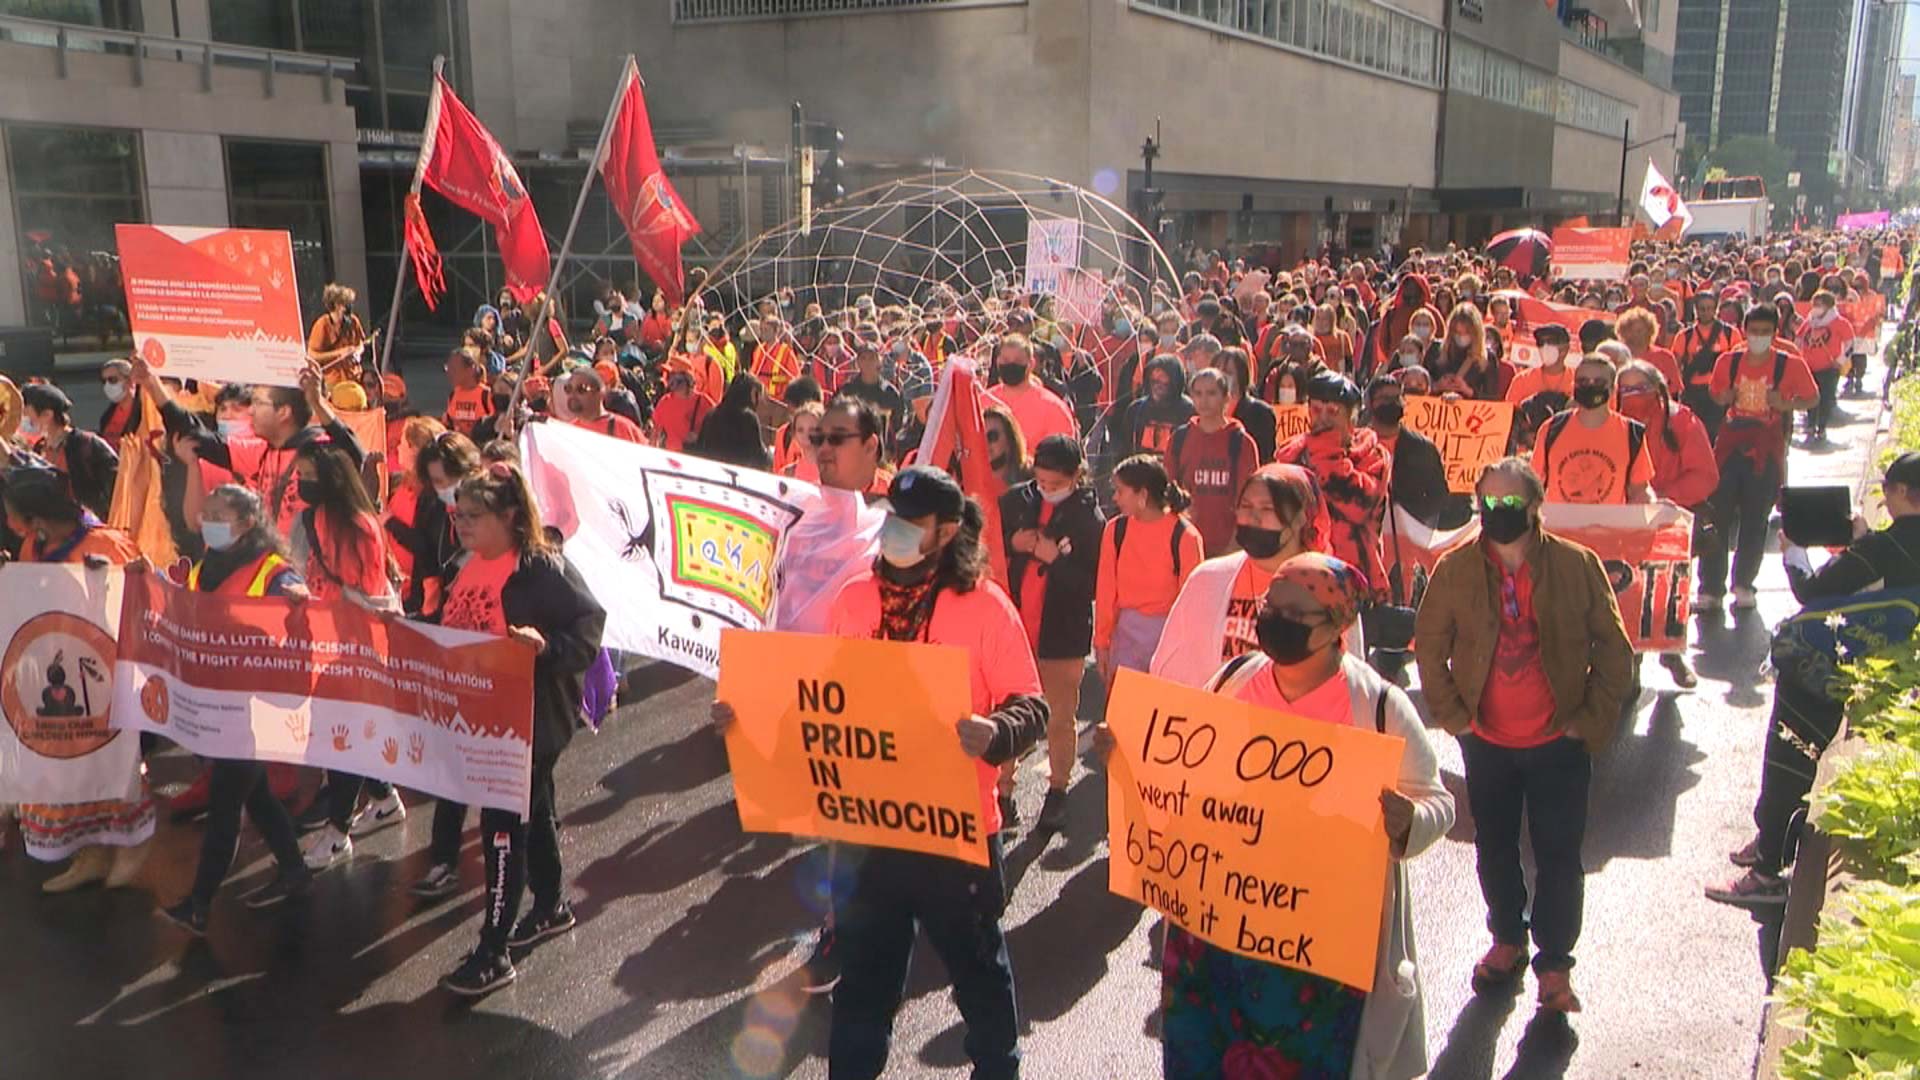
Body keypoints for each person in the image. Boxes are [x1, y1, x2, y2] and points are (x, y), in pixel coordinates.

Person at [716, 465, 1047, 1079]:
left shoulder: (982, 607)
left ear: (946, 532)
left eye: (908, 523)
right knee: (864, 986)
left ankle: (999, 1068)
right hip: (870, 835)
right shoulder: (855, 598)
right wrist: (747, 717)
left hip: (957, 832)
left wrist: (995, 732)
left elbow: (1030, 703)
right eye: (888, 516)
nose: (891, 531)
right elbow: (819, 703)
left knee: (977, 974)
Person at [1143, 552, 1453, 1080]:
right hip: (1222, 928)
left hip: (1317, 944)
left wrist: (1407, 821)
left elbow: (1437, 802)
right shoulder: (1236, 677)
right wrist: (1131, 755)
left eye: (1293, 612)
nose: (1274, 620)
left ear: (1336, 626)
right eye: (1271, 606)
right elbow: (1187, 766)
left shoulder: (1378, 706)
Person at [1413, 458, 1634, 1014]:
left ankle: (1555, 966)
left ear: (1534, 508)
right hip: (1486, 743)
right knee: (1495, 846)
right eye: (1485, 503)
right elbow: (1428, 646)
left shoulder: (1576, 564)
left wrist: (1590, 721)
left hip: (1559, 742)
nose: (1494, 513)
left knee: (1559, 856)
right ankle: (1507, 939)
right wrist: (1456, 720)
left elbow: (1614, 649)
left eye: (1508, 504)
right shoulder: (1456, 569)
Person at [1706, 451, 1920, 908]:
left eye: (1888, 487)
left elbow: (1811, 589)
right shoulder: (1892, 545)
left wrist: (1793, 551)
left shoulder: (1886, 546)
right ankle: (1770, 845)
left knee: (1790, 753)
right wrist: (1861, 544)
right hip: (1886, 670)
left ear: (1903, 492)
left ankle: (1767, 868)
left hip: (1827, 665)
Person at [439, 462, 607, 996]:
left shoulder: (541, 570)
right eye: (457, 514)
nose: (461, 524)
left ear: (509, 516)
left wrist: (545, 649)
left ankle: (494, 950)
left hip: (525, 723)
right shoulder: (467, 564)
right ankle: (553, 904)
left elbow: (587, 631)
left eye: (473, 515)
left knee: (502, 829)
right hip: (478, 716)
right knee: (536, 810)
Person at [156, 485, 316, 935]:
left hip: (252, 709)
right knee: (257, 794)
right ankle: (295, 871)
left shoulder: (273, 572)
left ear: (247, 523)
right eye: (205, 512)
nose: (206, 519)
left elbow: (295, 611)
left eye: (218, 514)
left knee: (226, 801)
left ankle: (199, 904)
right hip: (216, 703)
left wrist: (298, 605)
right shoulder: (206, 567)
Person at [1, 469, 155, 892]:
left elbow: (145, 604)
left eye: (14, 517)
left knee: (109, 764)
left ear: (37, 518)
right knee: (70, 770)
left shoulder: (106, 544)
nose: (10, 525)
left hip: (106, 676)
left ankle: (130, 845)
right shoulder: (36, 544)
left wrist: (110, 583)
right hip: (55, 667)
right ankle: (92, 852)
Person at [265, 442, 406, 868]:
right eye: (299, 475)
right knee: (340, 731)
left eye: (308, 475)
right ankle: (384, 798)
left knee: (342, 736)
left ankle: (338, 830)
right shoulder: (314, 518)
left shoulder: (359, 526)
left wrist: (313, 595)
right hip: (325, 639)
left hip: (358, 643)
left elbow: (363, 589)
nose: (301, 483)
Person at [1000, 436, 1104, 834]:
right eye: (1040, 481)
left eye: (1055, 484)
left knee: (1060, 717)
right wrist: (1013, 544)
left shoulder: (1089, 519)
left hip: (1062, 633)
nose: (1045, 489)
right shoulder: (1014, 502)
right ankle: (1003, 791)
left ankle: (1057, 790)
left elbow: (1090, 584)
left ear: (1075, 476)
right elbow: (988, 552)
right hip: (1015, 629)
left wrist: (1053, 559)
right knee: (1008, 712)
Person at [1150, 464, 1334, 687]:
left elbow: (1346, 688)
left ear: (1300, 518)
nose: (1253, 518)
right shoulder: (1207, 580)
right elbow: (1168, 673)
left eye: (1267, 509)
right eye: (1246, 506)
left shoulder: (1330, 590)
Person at [134, 357, 364, 534]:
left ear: (283, 412)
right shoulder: (260, 450)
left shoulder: (317, 449)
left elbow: (354, 456)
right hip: (274, 571)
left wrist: (318, 402)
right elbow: (198, 437)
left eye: (258, 403)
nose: (251, 410)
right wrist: (152, 384)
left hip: (310, 577)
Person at [1700, 305, 1819, 612]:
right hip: (1729, 444)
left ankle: (1744, 585)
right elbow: (1715, 394)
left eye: (1766, 332)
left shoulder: (1789, 364)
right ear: (1744, 330)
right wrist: (1724, 397)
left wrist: (1786, 403)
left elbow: (1813, 397)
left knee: (1755, 520)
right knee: (1717, 516)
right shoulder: (1728, 360)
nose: (1759, 338)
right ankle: (1710, 589)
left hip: (1766, 446)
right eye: (1754, 331)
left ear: (1775, 333)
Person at [1614, 360, 1716, 688]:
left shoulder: (1682, 422)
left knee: (1670, 591)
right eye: (1624, 389)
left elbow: (1705, 475)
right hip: (1624, 524)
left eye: (1638, 388)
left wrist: (1661, 497)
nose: (1631, 396)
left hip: (1668, 521)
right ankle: (1631, 661)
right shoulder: (1613, 423)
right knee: (1629, 593)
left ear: (1657, 388)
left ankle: (1671, 654)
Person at [1274, 372, 1389, 598]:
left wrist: (1324, 450)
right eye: (1316, 410)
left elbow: (1357, 506)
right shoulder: (1292, 452)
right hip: (1301, 576)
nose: (1323, 418)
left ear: (1352, 419)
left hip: (1353, 581)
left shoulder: (1372, 455)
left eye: (1333, 412)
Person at [1094, 454, 1205, 683]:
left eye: (1120, 491)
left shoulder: (1185, 536)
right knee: (1124, 713)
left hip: (1169, 639)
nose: (1115, 498)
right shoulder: (1116, 530)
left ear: (1142, 494)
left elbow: (1192, 603)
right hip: (1125, 638)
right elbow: (1105, 590)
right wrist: (1102, 642)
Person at [1529, 355, 1654, 505]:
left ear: (1613, 389)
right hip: (1559, 526)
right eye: (1583, 381)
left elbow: (1640, 490)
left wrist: (1653, 507)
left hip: (1609, 526)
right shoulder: (1551, 429)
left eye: (1599, 382)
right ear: (1573, 386)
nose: (1590, 386)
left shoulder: (1632, 434)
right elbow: (1533, 485)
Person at [1165, 368, 1259, 557]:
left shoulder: (1241, 442)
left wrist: (1235, 545)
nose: (1204, 400)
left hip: (1228, 548)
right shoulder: (1180, 438)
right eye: (1198, 393)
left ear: (1227, 398)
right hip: (1186, 544)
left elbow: (1250, 499)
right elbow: (1167, 492)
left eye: (1211, 393)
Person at [18, 383, 117, 518]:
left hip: (87, 528)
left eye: (25, 414)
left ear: (47, 414)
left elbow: (117, 487)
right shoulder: (38, 449)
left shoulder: (87, 444)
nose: (21, 420)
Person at [1367, 375, 1449, 528]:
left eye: (1396, 398)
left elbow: (1439, 495)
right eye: (1384, 398)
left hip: (1409, 537)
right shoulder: (1359, 446)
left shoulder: (1423, 448)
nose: (1391, 403)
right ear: (1371, 404)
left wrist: (1411, 518)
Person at [984, 335, 1077, 448]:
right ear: (998, 362)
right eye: (1006, 360)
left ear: (1031, 364)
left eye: (1018, 360)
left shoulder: (1053, 408)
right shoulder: (982, 401)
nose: (1011, 364)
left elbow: (1063, 456)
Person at [1793, 288, 1855, 444]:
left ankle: (1821, 427)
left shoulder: (1840, 323)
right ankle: (1810, 425)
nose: (1816, 307)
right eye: (1814, 304)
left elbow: (1850, 344)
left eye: (1819, 304)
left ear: (1828, 306)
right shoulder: (1809, 322)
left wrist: (1840, 360)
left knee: (1826, 398)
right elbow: (1799, 340)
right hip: (1809, 367)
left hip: (1829, 368)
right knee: (1810, 397)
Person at [693, 372, 774, 470]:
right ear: (753, 393)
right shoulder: (748, 418)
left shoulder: (711, 414)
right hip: (736, 475)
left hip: (712, 473)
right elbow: (758, 457)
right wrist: (770, 455)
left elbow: (700, 449)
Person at [1124, 355, 1195, 457]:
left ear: (1174, 381)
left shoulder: (1188, 411)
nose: (1157, 386)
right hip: (1141, 469)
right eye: (1154, 381)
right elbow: (1125, 450)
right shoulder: (1136, 410)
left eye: (1163, 380)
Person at [556, 366, 647, 444]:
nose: (573, 394)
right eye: (568, 389)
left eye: (581, 389)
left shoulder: (624, 428)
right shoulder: (568, 432)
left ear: (600, 393)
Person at [1218, 346, 1277, 463]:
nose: (1221, 377)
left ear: (1241, 375)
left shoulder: (1260, 413)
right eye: (1218, 371)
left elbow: (1265, 456)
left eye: (1228, 372)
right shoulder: (1207, 409)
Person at [1502, 323, 1575, 406]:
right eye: (1541, 343)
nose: (1545, 347)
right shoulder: (1522, 380)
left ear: (1565, 349)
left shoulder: (1579, 380)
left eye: (1550, 342)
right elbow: (1509, 414)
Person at [306, 283, 368, 378]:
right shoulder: (322, 324)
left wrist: (357, 352)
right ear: (336, 305)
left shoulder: (353, 321)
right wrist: (339, 353)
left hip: (354, 376)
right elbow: (312, 355)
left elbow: (360, 343)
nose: (348, 308)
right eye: (345, 304)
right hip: (333, 380)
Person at [97, 358, 143, 442]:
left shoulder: (144, 413)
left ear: (130, 380)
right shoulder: (106, 416)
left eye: (112, 380)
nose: (107, 385)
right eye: (104, 381)